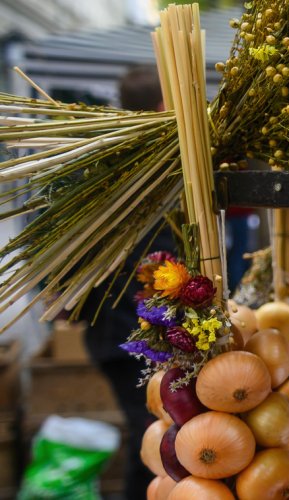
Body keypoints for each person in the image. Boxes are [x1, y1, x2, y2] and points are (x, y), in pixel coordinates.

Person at [75, 65, 168, 500]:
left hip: (126, 331)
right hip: (127, 334)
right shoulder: (133, 172)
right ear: (164, 106)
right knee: (149, 440)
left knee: (154, 437)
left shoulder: (130, 166)